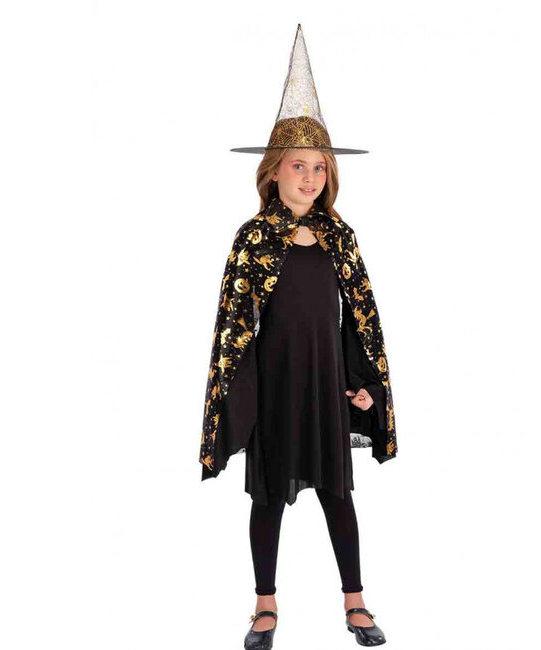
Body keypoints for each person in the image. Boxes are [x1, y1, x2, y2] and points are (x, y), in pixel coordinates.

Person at [199, 25, 397, 649]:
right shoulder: (254, 238)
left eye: (319, 167)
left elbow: (359, 319)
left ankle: (355, 602)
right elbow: (235, 329)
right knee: (267, 500)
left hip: (326, 385)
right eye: (298, 166)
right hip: (277, 386)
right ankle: (265, 606)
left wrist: (360, 384)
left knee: (339, 495)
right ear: (274, 170)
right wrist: (242, 399)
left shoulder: (340, 237)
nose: (309, 178)